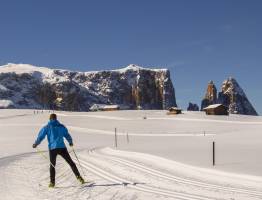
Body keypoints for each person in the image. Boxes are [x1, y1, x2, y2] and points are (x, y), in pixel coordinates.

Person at [33, 113, 85, 188]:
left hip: (52, 149)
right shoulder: (61, 126)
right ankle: (79, 177)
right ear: (56, 118)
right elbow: (67, 135)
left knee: (52, 166)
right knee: (71, 163)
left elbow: (41, 137)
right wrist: (70, 142)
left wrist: (36, 144)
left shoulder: (46, 127)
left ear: (49, 119)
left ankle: (52, 183)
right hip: (62, 148)